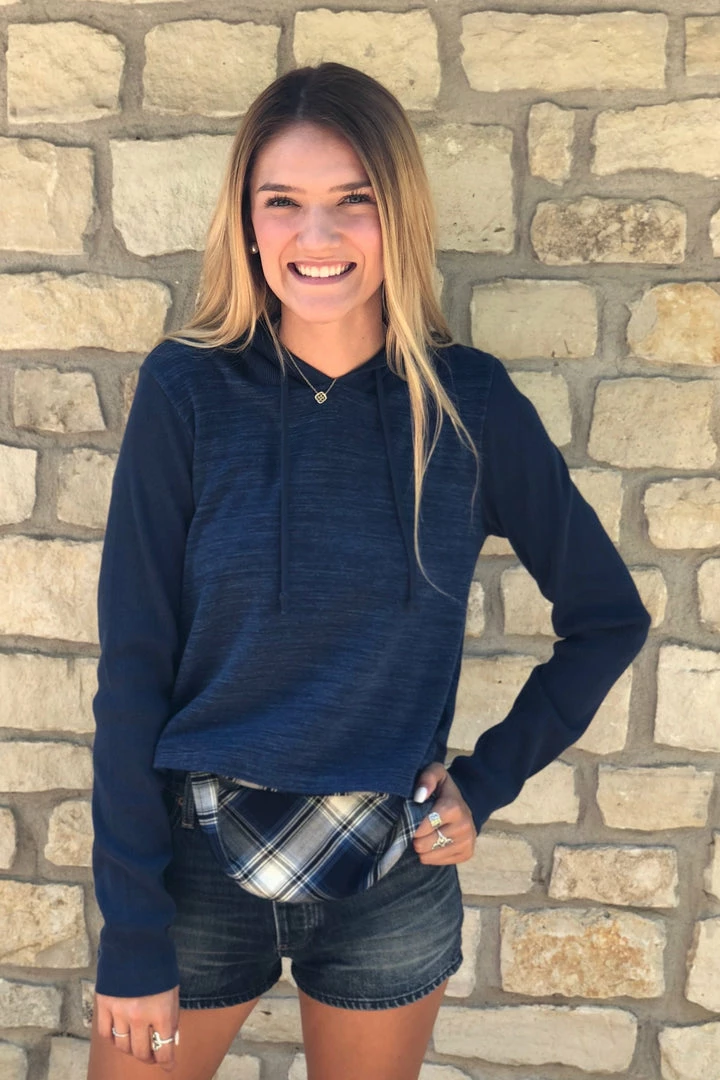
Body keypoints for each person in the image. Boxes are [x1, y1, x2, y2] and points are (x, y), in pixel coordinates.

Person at [86, 62, 650, 1080]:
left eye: (355, 200)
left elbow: (608, 617)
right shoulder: (187, 391)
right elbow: (132, 669)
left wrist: (483, 784)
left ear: (399, 215)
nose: (318, 234)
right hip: (194, 875)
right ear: (247, 222)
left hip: (391, 876)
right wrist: (130, 932)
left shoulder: (470, 405)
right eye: (283, 202)